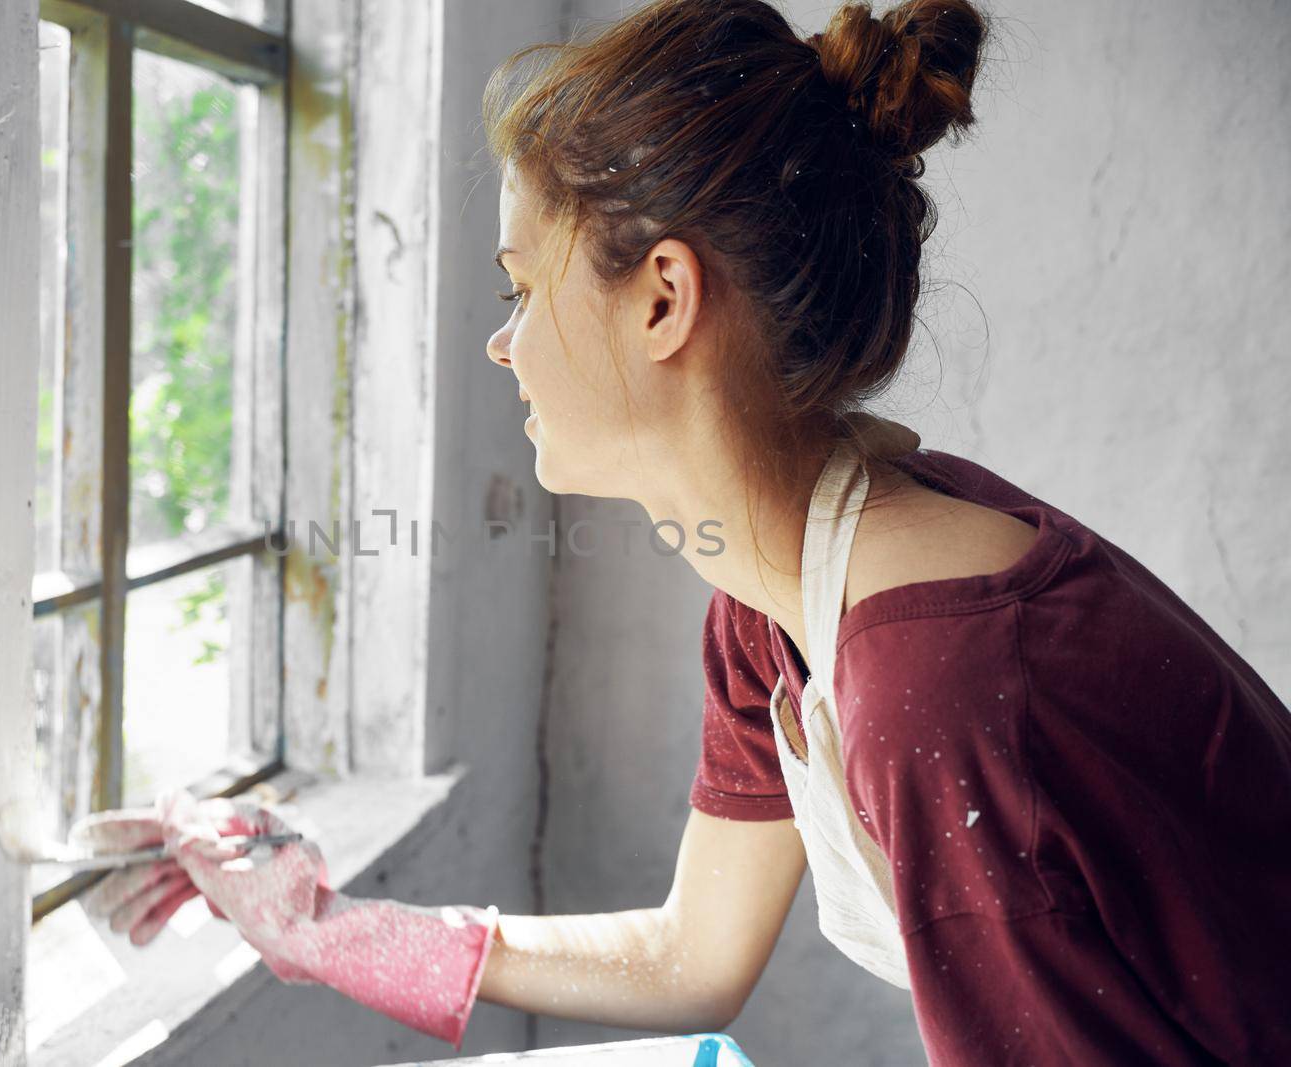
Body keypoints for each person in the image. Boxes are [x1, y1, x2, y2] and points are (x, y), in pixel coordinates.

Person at [73, 0, 1291, 1062]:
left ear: (662, 296)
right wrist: (323, 927)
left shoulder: (940, 685)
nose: (502, 342)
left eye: (520, 286)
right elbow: (690, 956)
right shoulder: (774, 608)